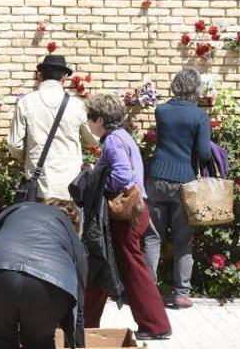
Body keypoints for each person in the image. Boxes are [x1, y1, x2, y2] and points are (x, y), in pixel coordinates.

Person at [83, 93, 171, 340]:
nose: (89, 124)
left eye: (90, 118)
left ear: (100, 119)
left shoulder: (112, 140)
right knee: (104, 264)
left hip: (125, 215)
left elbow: (122, 176)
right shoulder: (123, 137)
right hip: (134, 212)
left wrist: (96, 179)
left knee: (131, 268)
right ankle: (87, 322)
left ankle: (156, 326)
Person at [0, 199, 87, 349]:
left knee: (0, 341)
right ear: (75, 225)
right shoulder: (71, 235)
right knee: (39, 343)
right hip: (48, 283)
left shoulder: (20, 207)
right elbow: (79, 302)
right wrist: (77, 344)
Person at [142, 67, 211, 309]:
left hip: (157, 178)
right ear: (196, 88)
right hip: (184, 182)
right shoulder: (199, 116)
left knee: (152, 237)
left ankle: (149, 292)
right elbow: (203, 153)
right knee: (183, 240)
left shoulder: (161, 111)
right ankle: (181, 293)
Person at [8, 55, 96, 201]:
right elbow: (93, 140)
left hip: (39, 185)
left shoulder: (26, 103)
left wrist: (29, 155)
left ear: (39, 76)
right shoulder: (77, 105)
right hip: (70, 187)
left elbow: (14, 145)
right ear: (64, 78)